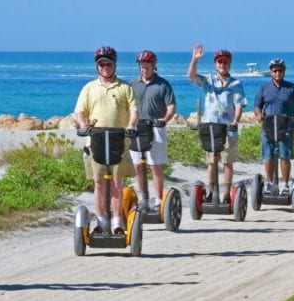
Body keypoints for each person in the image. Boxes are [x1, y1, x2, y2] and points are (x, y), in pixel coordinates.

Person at [74, 46, 138, 235]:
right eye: (101, 64)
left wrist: (132, 125)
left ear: (114, 65)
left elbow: (134, 111)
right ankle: (101, 221)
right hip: (96, 142)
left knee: (117, 182)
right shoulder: (89, 88)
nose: (105, 67)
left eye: (108, 63)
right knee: (99, 182)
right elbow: (79, 112)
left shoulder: (125, 87)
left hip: (119, 141)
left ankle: (118, 222)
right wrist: (83, 125)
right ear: (97, 66)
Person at [187, 45, 247, 202]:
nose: (222, 65)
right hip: (211, 127)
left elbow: (239, 104)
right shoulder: (209, 80)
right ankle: (212, 192)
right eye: (219, 62)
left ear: (229, 64)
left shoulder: (236, 84)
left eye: (225, 62)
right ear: (215, 64)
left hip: (228, 129)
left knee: (227, 162)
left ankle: (226, 194)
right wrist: (195, 59)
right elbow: (191, 76)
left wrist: (235, 121)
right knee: (211, 161)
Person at [254, 58, 294, 195]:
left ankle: (286, 184)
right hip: (268, 126)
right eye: (274, 71)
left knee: (284, 156)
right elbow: (257, 107)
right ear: (271, 72)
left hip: (286, 126)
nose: (277, 73)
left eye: (280, 70)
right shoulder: (264, 88)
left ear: (284, 71)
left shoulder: (292, 87)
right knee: (268, 156)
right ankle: (269, 183)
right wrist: (258, 115)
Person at [129, 50, 176, 212]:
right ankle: (144, 197)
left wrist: (164, 120)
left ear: (153, 66)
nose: (144, 69)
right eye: (142, 67)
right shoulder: (132, 84)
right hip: (136, 128)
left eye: (147, 66)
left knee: (155, 166)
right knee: (138, 166)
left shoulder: (163, 84)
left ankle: (158, 199)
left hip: (156, 128)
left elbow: (171, 106)